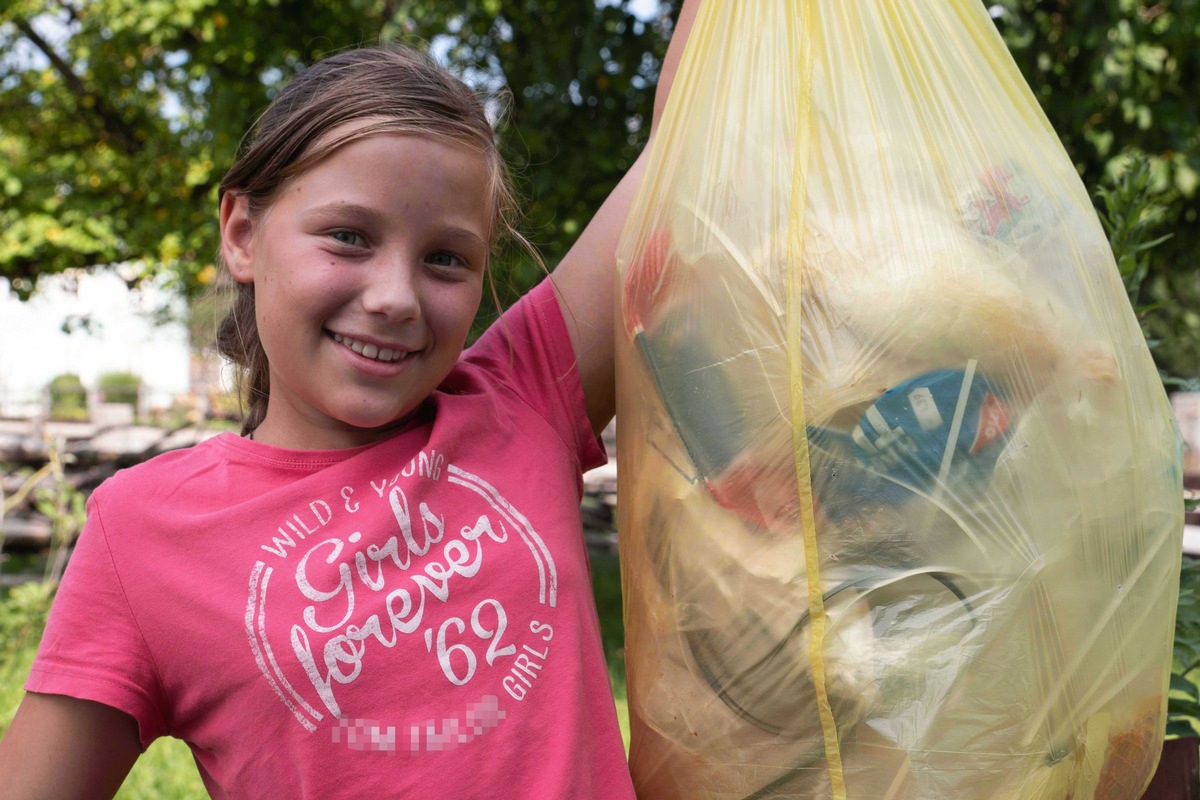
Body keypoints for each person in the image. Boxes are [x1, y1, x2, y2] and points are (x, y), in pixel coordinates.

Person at [0, 3, 698, 797]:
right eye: (349, 237)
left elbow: (692, 139)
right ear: (241, 232)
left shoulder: (524, 394)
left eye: (445, 257)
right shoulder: (142, 531)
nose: (396, 296)